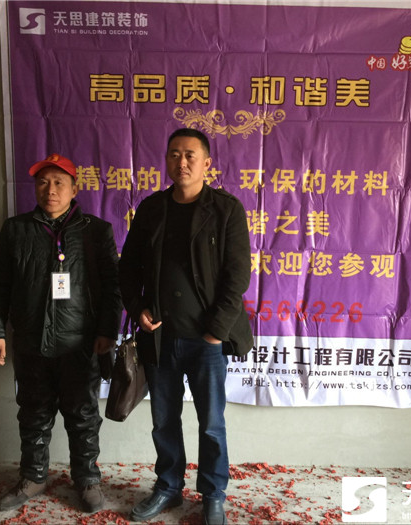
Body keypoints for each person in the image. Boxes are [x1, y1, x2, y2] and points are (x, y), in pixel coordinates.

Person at [119, 128, 253, 525]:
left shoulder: (226, 210)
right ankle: (168, 487)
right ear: (166, 160)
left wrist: (216, 332)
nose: (182, 162)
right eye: (174, 154)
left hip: (206, 340)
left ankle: (213, 494)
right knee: (163, 420)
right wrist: (138, 308)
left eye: (190, 155)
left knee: (211, 424)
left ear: (206, 163)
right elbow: (128, 267)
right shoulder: (152, 209)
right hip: (160, 336)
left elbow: (237, 276)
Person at [0, 153, 122, 513]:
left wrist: (108, 331)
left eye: (59, 182)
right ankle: (33, 477)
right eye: (43, 182)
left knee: (83, 416)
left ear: (74, 189)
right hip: (31, 341)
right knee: (33, 414)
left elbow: (113, 288)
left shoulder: (96, 231)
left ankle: (87, 479)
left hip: (81, 343)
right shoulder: (15, 230)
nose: (50, 189)